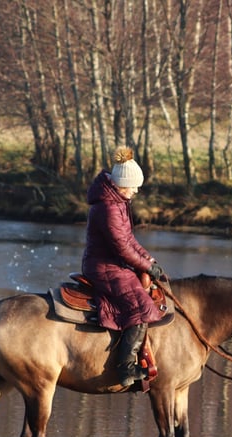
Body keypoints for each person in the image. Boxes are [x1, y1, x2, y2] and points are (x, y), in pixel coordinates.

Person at [82, 146, 167, 388]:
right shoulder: (108, 207)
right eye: (134, 186)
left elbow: (130, 240)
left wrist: (149, 261)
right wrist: (146, 267)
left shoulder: (116, 201)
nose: (137, 190)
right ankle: (125, 366)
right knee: (141, 306)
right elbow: (122, 248)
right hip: (105, 267)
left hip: (114, 264)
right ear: (122, 184)